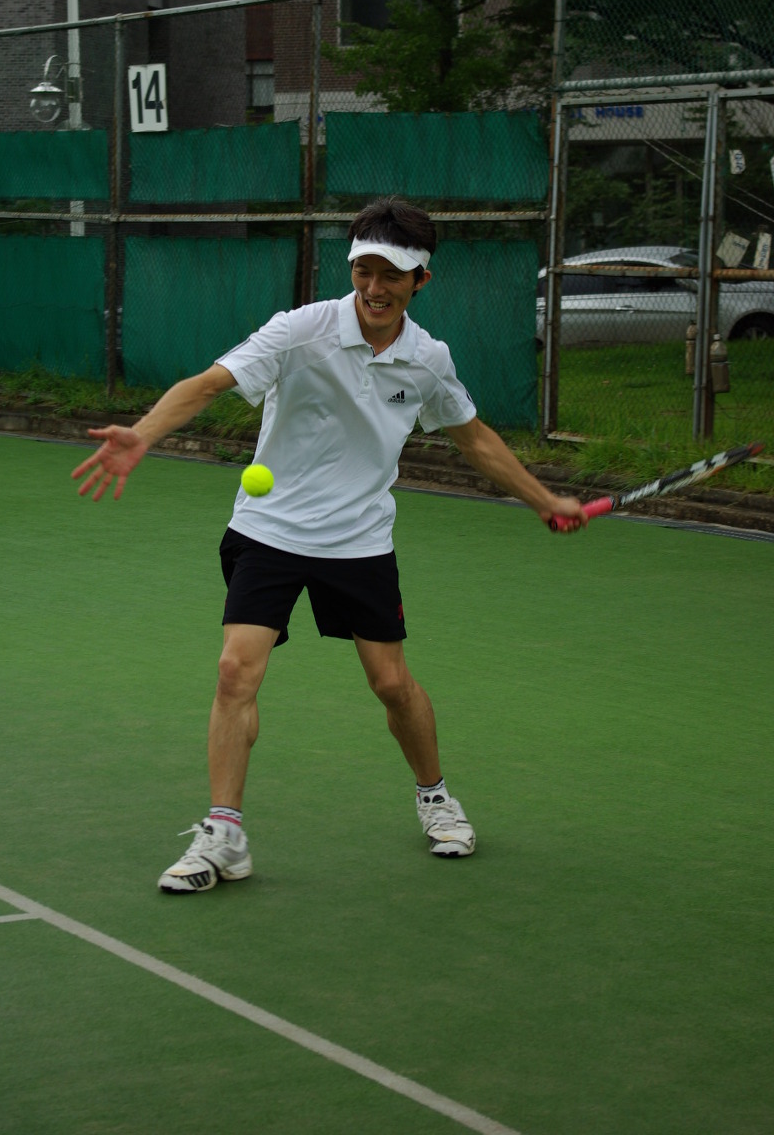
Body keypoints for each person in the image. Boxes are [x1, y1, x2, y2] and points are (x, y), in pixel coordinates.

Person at [72, 197, 585, 894]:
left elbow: (475, 439)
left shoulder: (427, 360)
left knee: (391, 683)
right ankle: (224, 835)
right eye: (363, 270)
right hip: (269, 530)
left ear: (421, 280)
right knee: (235, 672)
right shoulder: (300, 331)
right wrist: (143, 433)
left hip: (359, 540)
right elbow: (210, 384)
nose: (374, 287)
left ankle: (434, 796)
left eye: (392, 275)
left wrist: (544, 500)